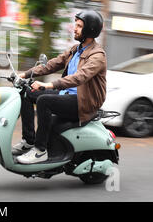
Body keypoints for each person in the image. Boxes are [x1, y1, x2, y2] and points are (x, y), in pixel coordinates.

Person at [12, 10, 107, 164]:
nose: (74, 28)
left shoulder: (98, 56)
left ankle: (40, 150)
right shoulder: (75, 50)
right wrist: (24, 75)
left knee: (44, 101)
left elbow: (80, 77)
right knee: (26, 92)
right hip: (67, 95)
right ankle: (29, 141)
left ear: (89, 30)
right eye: (75, 25)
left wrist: (49, 85)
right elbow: (52, 64)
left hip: (83, 102)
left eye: (79, 26)